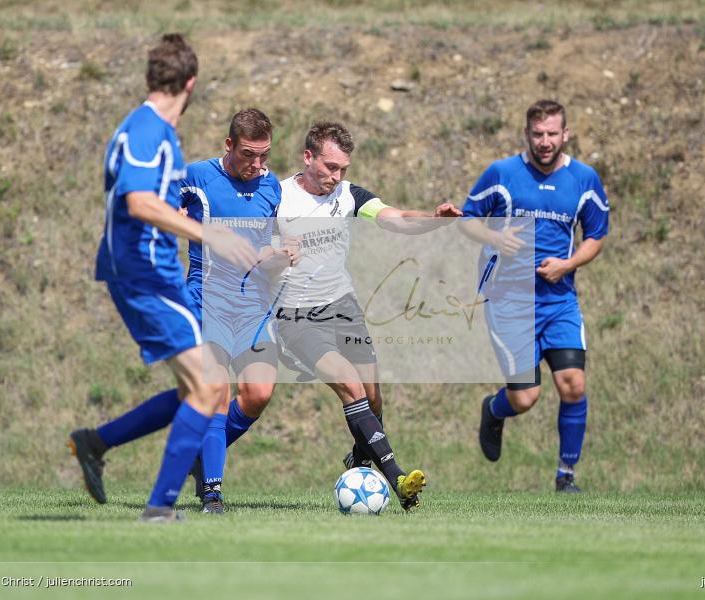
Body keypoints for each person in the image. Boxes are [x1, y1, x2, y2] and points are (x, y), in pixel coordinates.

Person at [67, 34, 257, 522]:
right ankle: (159, 508)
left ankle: (97, 442)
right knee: (207, 386)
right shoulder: (150, 130)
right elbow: (139, 201)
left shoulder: (144, 129)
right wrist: (210, 236)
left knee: (203, 387)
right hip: (144, 274)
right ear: (190, 84)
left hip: (155, 275)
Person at [267, 121, 461, 510]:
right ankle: (399, 482)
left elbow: (396, 217)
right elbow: (252, 252)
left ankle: (359, 460)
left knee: (372, 397)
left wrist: (433, 219)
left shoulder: (348, 195)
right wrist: (275, 254)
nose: (336, 177)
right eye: (330, 167)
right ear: (308, 158)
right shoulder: (276, 196)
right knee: (351, 387)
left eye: (343, 169)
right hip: (297, 314)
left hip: (343, 307)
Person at [459, 99, 609, 493]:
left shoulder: (583, 179)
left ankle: (566, 476)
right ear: (527, 134)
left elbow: (596, 235)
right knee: (526, 398)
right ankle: (494, 410)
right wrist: (496, 237)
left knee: (573, 384)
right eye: (538, 134)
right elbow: (466, 219)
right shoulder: (502, 173)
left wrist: (569, 263)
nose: (545, 141)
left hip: (559, 301)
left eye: (552, 134)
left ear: (566, 134)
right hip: (509, 301)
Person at [180, 108, 292, 513]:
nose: (257, 165)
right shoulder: (196, 177)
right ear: (229, 145)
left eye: (264, 156)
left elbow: (266, 246)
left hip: (252, 305)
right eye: (249, 154)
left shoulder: (271, 186)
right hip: (206, 300)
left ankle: (199, 454)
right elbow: (161, 216)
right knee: (217, 390)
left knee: (259, 392)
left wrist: (281, 255)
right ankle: (212, 491)